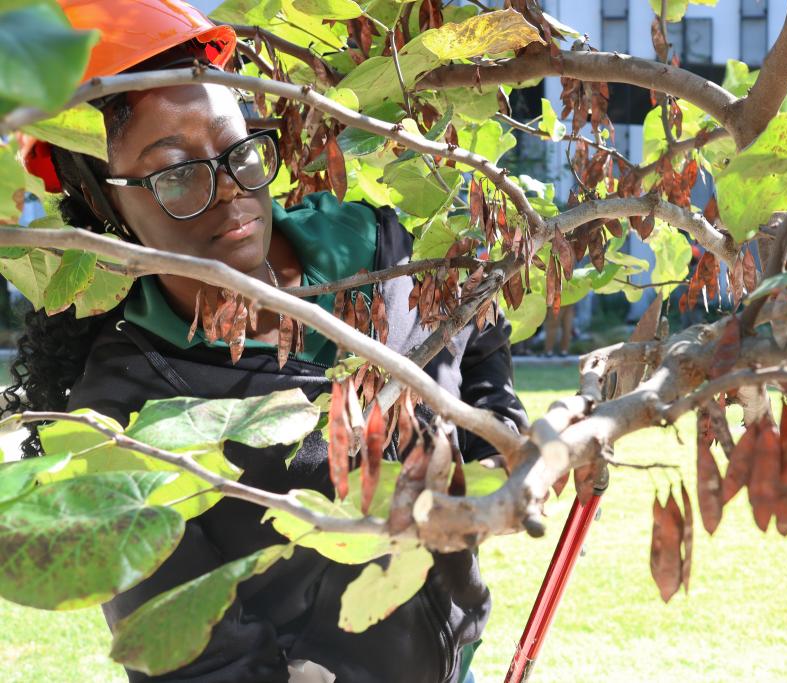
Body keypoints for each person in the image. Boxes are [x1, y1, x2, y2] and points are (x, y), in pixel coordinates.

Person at [6, 1, 527, 681]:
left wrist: (502, 442)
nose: (231, 193)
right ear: (99, 201)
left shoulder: (375, 245)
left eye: (239, 150)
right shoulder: (119, 417)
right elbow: (190, 658)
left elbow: (476, 331)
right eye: (175, 172)